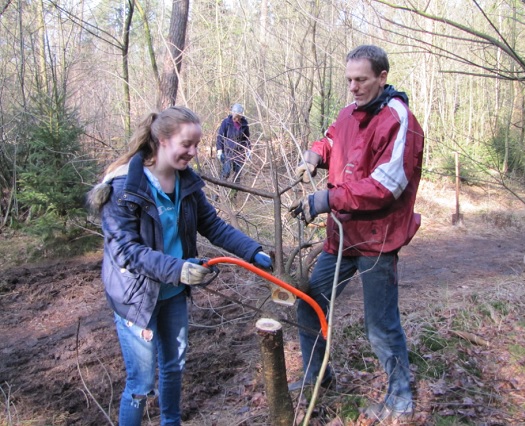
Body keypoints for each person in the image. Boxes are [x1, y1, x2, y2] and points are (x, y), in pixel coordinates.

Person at [88, 106, 272, 426]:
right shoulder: (123, 188)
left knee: (173, 367)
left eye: (197, 145)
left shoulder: (186, 182)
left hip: (172, 292)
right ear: (162, 140)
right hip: (136, 298)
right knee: (141, 385)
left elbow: (212, 225)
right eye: (186, 144)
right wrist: (179, 269)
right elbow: (127, 252)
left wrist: (253, 252)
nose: (193, 152)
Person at [289, 45, 424, 422]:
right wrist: (314, 155)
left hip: (378, 240)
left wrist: (326, 198)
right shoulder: (349, 112)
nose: (353, 87)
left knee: (380, 324)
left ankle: (400, 399)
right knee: (309, 303)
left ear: (382, 78)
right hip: (341, 237)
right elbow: (332, 139)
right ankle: (319, 378)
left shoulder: (400, 120)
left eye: (361, 79)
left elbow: (385, 186)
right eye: (349, 79)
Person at [216, 103, 251, 185]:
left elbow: (246, 139)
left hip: (240, 153)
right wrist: (219, 150)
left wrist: (248, 150)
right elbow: (220, 136)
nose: (236, 119)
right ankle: (218, 193)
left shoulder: (244, 125)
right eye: (235, 117)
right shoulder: (226, 122)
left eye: (238, 117)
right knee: (226, 172)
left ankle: (233, 196)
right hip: (228, 152)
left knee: (237, 176)